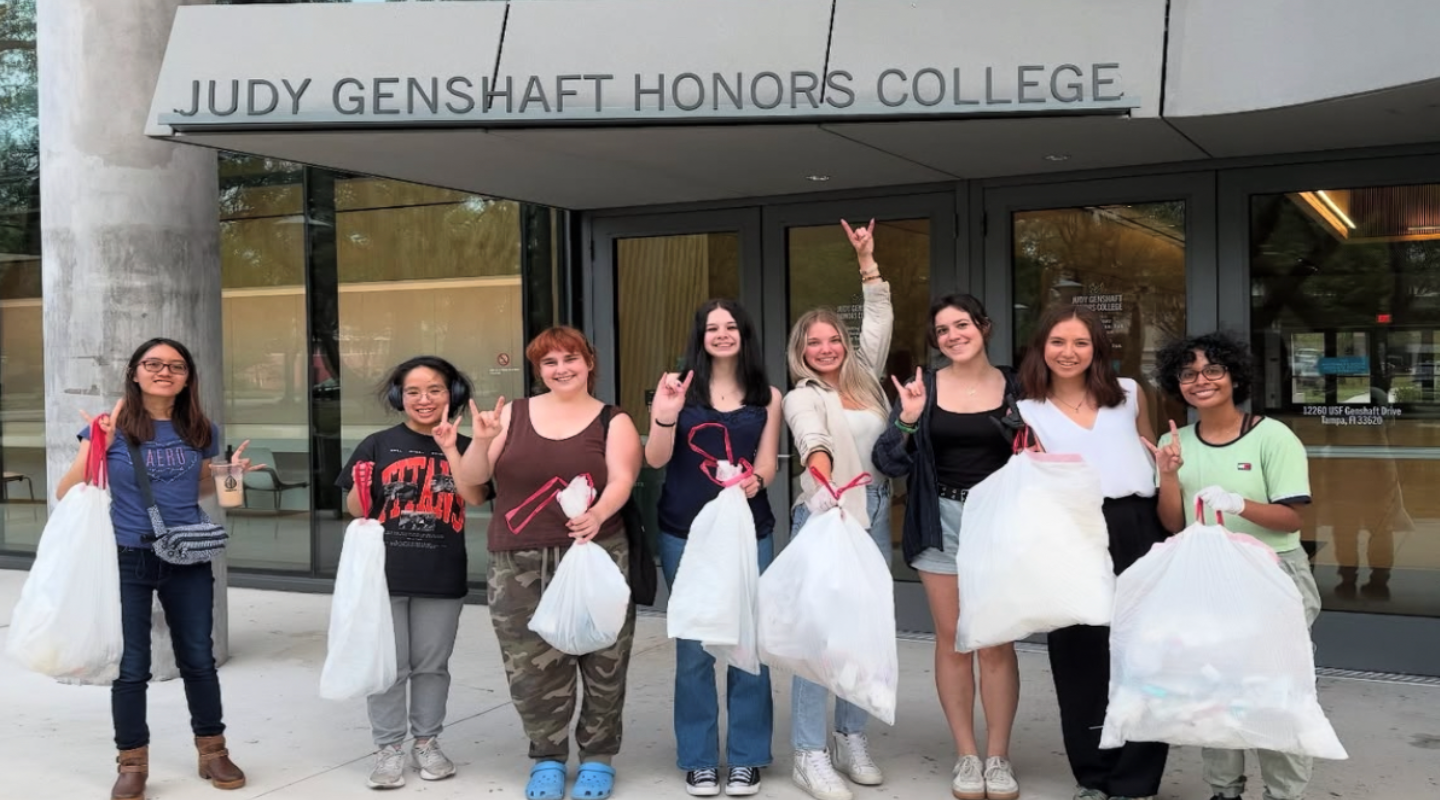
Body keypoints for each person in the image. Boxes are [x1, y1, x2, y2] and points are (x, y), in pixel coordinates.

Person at [56, 338, 256, 800]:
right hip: (128, 557)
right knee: (132, 667)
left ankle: (213, 751)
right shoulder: (111, 428)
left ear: (188, 377)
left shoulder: (201, 428)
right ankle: (132, 763)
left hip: (186, 555)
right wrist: (97, 445)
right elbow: (69, 489)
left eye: (176, 366)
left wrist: (230, 475)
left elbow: (201, 491)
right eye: (154, 364)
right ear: (136, 371)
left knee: (198, 658)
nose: (165, 372)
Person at [459, 326, 642, 800]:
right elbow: (474, 483)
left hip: (596, 553)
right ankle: (547, 757)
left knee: (604, 658)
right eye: (549, 362)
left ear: (589, 362)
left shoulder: (612, 420)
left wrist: (599, 512)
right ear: (538, 370)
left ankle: (599, 758)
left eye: (570, 358)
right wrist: (480, 441)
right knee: (531, 665)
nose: (561, 369)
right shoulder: (512, 416)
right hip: (515, 559)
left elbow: (622, 478)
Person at [1147, 332, 1319, 800]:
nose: (1200, 381)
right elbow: (1172, 522)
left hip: (1271, 573)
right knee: (1214, 688)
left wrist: (1239, 503)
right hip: (1206, 576)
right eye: (1188, 373)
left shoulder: (1272, 435)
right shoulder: (1173, 440)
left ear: (1235, 375)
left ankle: (1283, 792)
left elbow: (1290, 517)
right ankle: (1224, 789)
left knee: (1275, 689)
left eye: (1213, 370)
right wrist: (1167, 475)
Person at [872, 295, 1025, 800]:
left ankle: (998, 756)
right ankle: (966, 755)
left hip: (1000, 523)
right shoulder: (924, 387)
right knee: (953, 640)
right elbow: (889, 460)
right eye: (942, 330)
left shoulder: (1016, 386)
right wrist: (910, 419)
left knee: (996, 642)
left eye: (962, 325)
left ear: (985, 326)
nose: (953, 335)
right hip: (940, 521)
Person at [1015, 305, 1170, 800]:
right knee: (1079, 656)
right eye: (1058, 342)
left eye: (1081, 342)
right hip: (1070, 531)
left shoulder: (1128, 395)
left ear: (1098, 348)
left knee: (1144, 652)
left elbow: (1153, 458)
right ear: (1042, 347)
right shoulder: (1025, 408)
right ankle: (1093, 775)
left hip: (1135, 524)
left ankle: (1137, 779)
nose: (1069, 352)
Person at [645, 299, 782, 797]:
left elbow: (769, 463)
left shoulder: (767, 394)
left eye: (730, 327)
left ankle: (747, 757)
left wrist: (755, 480)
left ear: (744, 334)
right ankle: (699, 758)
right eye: (711, 327)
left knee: (748, 642)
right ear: (699, 336)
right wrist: (664, 415)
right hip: (684, 530)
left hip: (749, 529)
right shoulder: (678, 388)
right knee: (694, 647)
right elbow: (656, 458)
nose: (721, 334)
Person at [338, 356, 490, 789]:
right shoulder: (377, 444)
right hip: (383, 573)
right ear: (399, 397)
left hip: (441, 572)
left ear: (452, 394)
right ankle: (388, 749)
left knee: (432, 666)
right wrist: (364, 488)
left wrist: (449, 447)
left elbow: (476, 497)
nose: (424, 399)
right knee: (388, 668)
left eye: (435, 389)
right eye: (413, 392)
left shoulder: (465, 446)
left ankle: (427, 742)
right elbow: (354, 509)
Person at [781, 219, 894, 800]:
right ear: (800, 352)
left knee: (861, 634)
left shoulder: (867, 382)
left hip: (873, 511)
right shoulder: (804, 394)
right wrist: (823, 471)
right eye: (812, 343)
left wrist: (867, 263)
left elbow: (878, 319)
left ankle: (851, 736)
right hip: (826, 511)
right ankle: (809, 751)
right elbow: (809, 438)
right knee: (819, 638)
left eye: (832, 340)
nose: (824, 349)